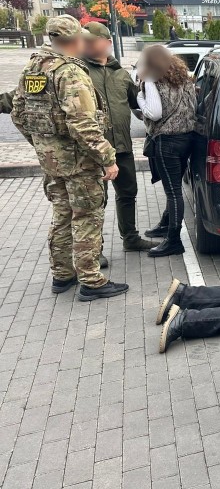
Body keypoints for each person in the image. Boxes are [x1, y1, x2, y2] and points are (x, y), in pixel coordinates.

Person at [10, 15, 128, 301]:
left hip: (52, 162)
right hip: (79, 162)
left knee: (62, 215)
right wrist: (107, 158)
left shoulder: (33, 68)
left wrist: (41, 145)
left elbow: (19, 114)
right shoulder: (69, 72)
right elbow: (82, 123)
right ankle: (91, 281)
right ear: (75, 40)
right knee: (86, 216)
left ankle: (62, 275)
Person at [82, 22, 156, 255]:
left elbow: (138, 103)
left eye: (92, 40)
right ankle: (95, 251)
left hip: (122, 147)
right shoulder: (79, 72)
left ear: (106, 42)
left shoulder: (121, 74)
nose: (87, 44)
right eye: (85, 40)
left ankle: (130, 238)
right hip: (93, 151)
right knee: (95, 201)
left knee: (127, 193)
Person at [136, 45, 197, 257]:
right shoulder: (185, 78)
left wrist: (139, 99)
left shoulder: (153, 79)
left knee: (173, 191)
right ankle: (165, 223)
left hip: (167, 141)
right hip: (188, 138)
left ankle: (173, 240)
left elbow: (154, 113)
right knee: (175, 187)